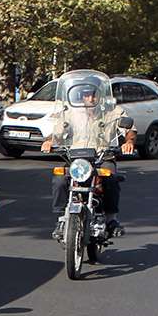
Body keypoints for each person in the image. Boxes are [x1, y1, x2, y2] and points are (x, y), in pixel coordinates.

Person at [41, 74, 136, 237]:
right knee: (59, 178)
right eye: (86, 94)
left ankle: (111, 219)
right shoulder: (71, 113)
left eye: (94, 94)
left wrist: (129, 142)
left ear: (100, 95)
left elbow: (130, 130)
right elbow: (57, 133)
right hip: (77, 160)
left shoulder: (113, 112)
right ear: (81, 96)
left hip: (102, 158)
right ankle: (62, 218)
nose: (90, 98)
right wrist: (49, 141)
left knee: (111, 179)